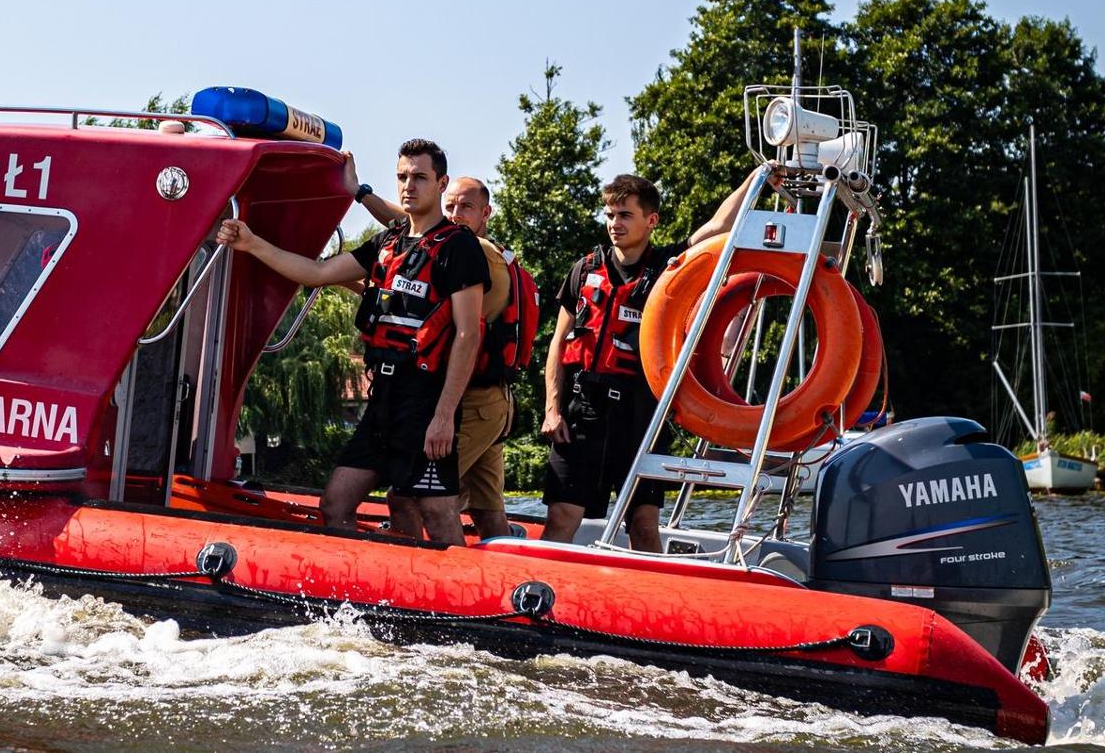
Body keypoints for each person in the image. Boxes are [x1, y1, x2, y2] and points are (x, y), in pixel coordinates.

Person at [218, 139, 487, 545]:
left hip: (425, 400)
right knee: (336, 504)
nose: (408, 186)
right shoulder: (389, 242)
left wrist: (445, 414)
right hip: (384, 400)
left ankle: (461, 600)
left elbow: (468, 334)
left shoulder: (459, 247)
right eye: (401, 177)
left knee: (435, 508)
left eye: (419, 177)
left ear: (440, 182)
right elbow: (314, 271)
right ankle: (384, 594)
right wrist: (251, 243)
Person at [539, 168, 767, 551]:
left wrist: (756, 179)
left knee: (644, 527)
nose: (614, 223)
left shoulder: (668, 266)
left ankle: (654, 604)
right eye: (610, 215)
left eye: (625, 215)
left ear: (651, 220)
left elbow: (717, 226)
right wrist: (552, 408)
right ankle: (538, 602)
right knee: (561, 518)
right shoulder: (584, 269)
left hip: (640, 415)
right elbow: (558, 344)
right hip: (583, 412)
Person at [345, 162, 514, 541]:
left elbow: (406, 222)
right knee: (488, 510)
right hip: (486, 398)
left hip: (468, 401)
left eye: (464, 207)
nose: (453, 215)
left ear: (486, 214)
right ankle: (501, 583)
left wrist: (361, 194)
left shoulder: (471, 249)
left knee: (410, 497)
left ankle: (427, 585)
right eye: (450, 206)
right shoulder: (456, 248)